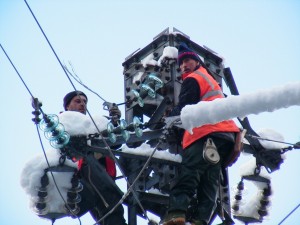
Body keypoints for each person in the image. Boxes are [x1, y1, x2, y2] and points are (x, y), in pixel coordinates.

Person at [162, 43, 241, 225]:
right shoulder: (210, 80)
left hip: (205, 134)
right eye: (181, 64)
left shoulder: (194, 78)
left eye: (187, 60)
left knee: (190, 172)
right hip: (225, 137)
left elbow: (185, 107)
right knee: (209, 181)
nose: (183, 66)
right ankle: (201, 220)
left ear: (197, 62)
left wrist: (169, 120)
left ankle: (176, 214)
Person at [63, 90, 127, 225]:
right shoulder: (66, 123)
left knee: (106, 214)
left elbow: (115, 143)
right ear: (67, 106)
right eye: (78, 101)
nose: (82, 104)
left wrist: (114, 123)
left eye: (85, 102)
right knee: (112, 210)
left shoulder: (92, 124)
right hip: (90, 172)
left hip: (103, 173)